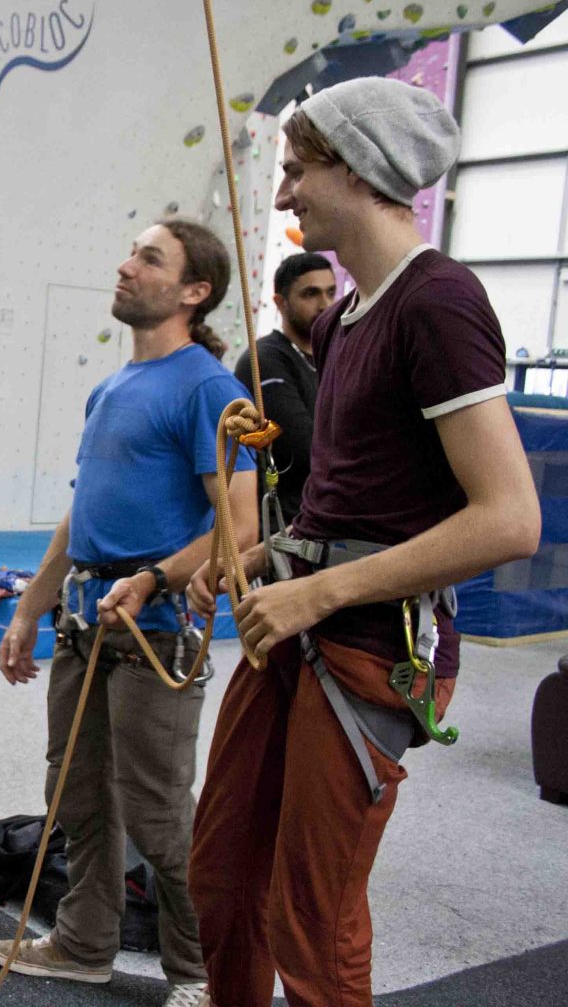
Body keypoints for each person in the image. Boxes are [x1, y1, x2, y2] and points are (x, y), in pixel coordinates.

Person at [186, 78, 540, 1007]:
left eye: (299, 170)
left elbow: (509, 518)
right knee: (221, 880)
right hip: (303, 625)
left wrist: (322, 591)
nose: (284, 193)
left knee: (313, 917)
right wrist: (274, 555)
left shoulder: (440, 304)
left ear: (360, 166)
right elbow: (351, 502)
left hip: (375, 646)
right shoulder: (342, 319)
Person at [0, 219, 259, 1007]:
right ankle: (83, 943)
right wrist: (26, 613)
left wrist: (154, 578)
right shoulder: (109, 389)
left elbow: (240, 527)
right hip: (85, 623)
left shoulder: (210, 387)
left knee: (159, 816)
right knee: (75, 794)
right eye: (131, 252)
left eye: (149, 258)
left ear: (193, 290)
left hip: (155, 630)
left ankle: (199, 972)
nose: (125, 265)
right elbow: (80, 519)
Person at [233, 252, 335, 524]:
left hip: (323, 521)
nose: (325, 305)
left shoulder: (333, 357)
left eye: (330, 292)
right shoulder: (265, 359)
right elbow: (305, 450)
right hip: (280, 528)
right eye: (310, 294)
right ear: (280, 302)